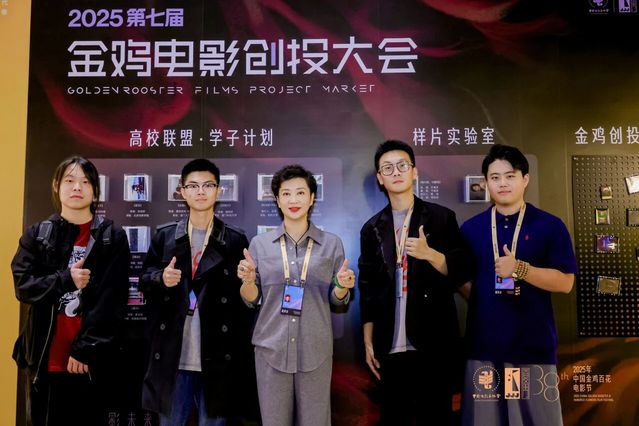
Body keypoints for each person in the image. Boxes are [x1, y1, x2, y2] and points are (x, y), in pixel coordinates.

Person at [460, 144, 577, 425]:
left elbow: (566, 282)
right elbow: (463, 282)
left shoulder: (549, 225)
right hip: (484, 350)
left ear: (525, 179)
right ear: (485, 182)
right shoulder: (471, 229)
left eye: (510, 176)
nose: (502, 183)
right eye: (495, 177)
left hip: (530, 348)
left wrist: (521, 269)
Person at [358, 140, 472, 425]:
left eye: (402, 165)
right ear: (380, 178)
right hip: (390, 345)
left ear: (414, 171)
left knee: (437, 418)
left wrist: (430, 254)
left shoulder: (441, 218)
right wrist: (368, 338)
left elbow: (461, 270)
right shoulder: (372, 228)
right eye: (387, 168)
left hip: (433, 344)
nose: (396, 172)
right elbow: (368, 288)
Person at [11, 156, 130, 426]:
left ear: (95, 191)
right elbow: (24, 286)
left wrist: (85, 348)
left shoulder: (111, 237)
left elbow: (112, 302)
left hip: (91, 361)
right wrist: (66, 280)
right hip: (44, 358)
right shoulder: (38, 235)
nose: (77, 187)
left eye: (85, 182)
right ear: (56, 186)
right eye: (69, 180)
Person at [139, 159, 258, 425]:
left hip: (218, 359)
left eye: (208, 185)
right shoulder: (165, 236)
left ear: (219, 191)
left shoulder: (235, 239)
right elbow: (143, 281)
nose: (200, 191)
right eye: (193, 186)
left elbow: (245, 302)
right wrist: (161, 278)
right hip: (173, 358)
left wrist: (249, 280)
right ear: (182, 191)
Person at [237, 164, 354, 426]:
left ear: (312, 198)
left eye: (300, 193)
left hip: (315, 350)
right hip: (271, 349)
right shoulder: (260, 244)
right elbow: (252, 299)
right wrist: (248, 281)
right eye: (286, 193)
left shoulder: (331, 243)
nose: (293, 200)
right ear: (277, 200)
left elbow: (337, 300)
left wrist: (342, 286)